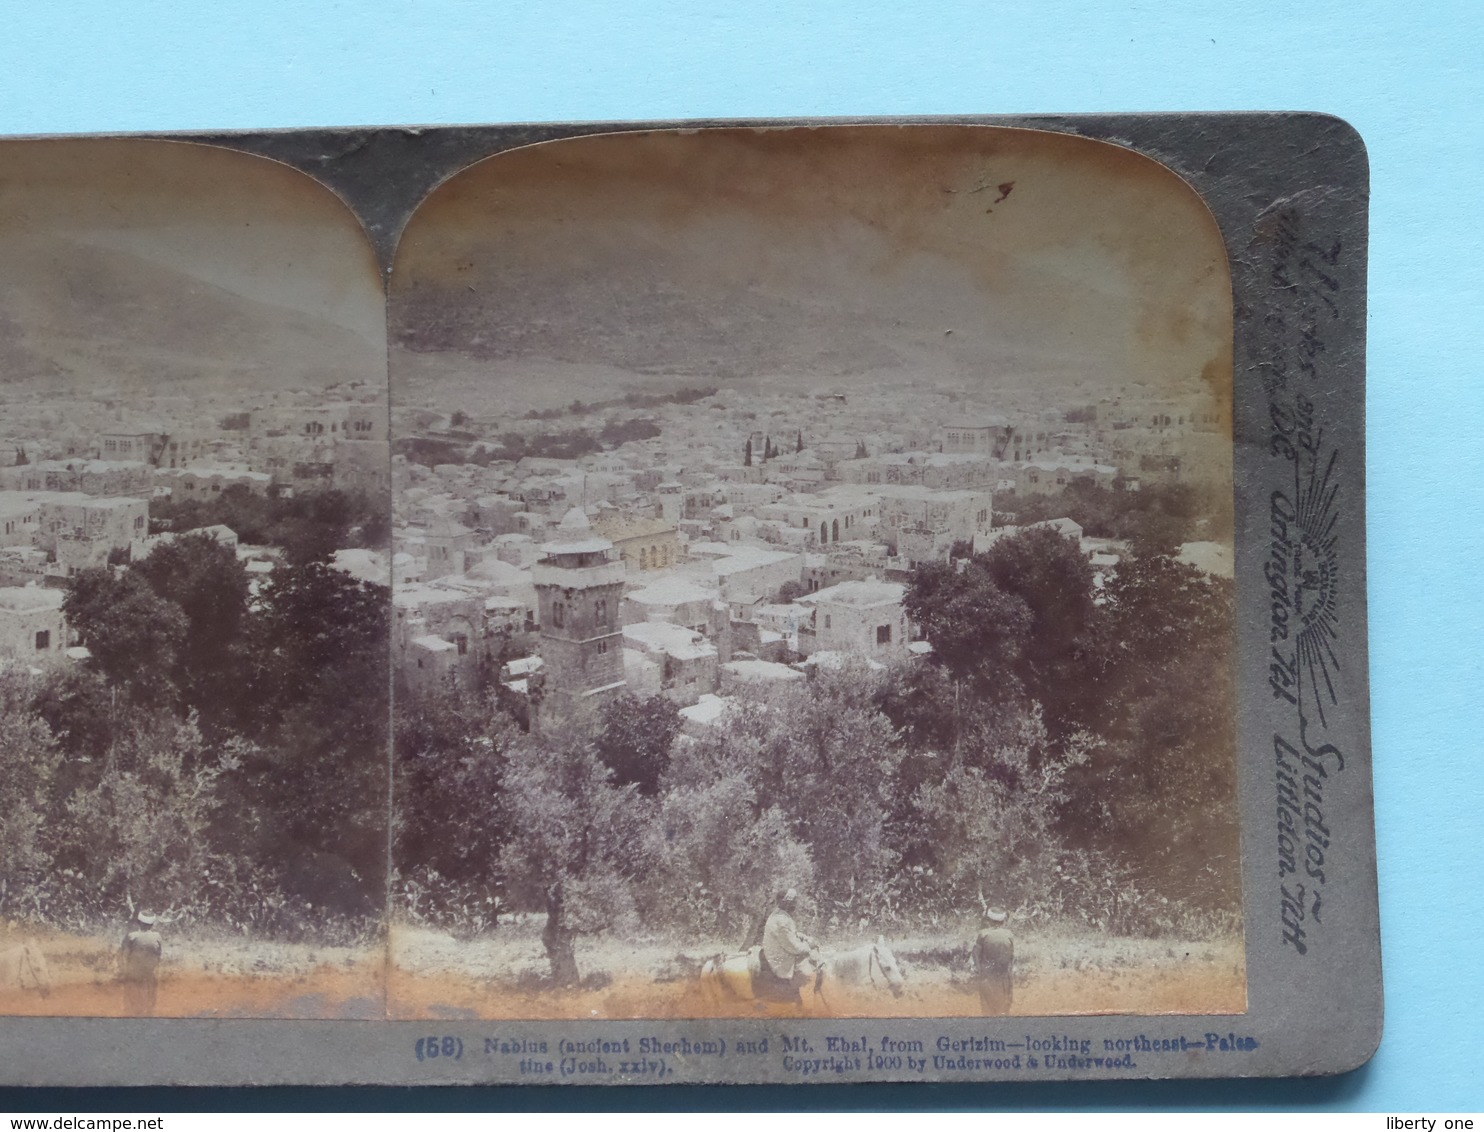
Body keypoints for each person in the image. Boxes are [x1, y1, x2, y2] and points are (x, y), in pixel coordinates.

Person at [760, 889, 817, 999]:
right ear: (786, 902)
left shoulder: (779, 915)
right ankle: (807, 1010)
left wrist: (803, 937)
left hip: (777, 949)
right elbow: (793, 947)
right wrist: (809, 946)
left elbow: (790, 934)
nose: (795, 904)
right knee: (809, 976)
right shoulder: (782, 920)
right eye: (793, 902)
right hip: (780, 956)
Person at [119, 911, 163, 1016]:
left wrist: (123, 969)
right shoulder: (157, 936)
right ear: (152, 924)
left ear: (139, 922)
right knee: (151, 993)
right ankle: (149, 1011)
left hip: (134, 971)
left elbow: (123, 953)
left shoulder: (132, 936)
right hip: (150, 971)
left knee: (130, 994)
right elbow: (158, 955)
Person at [972, 907, 1014, 1015]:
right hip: (1004, 974)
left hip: (987, 974)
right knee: (1004, 1007)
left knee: (987, 1007)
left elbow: (976, 954)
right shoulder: (1009, 934)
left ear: (989, 920)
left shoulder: (983, 934)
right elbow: (1011, 956)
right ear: (1003, 921)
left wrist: (979, 969)